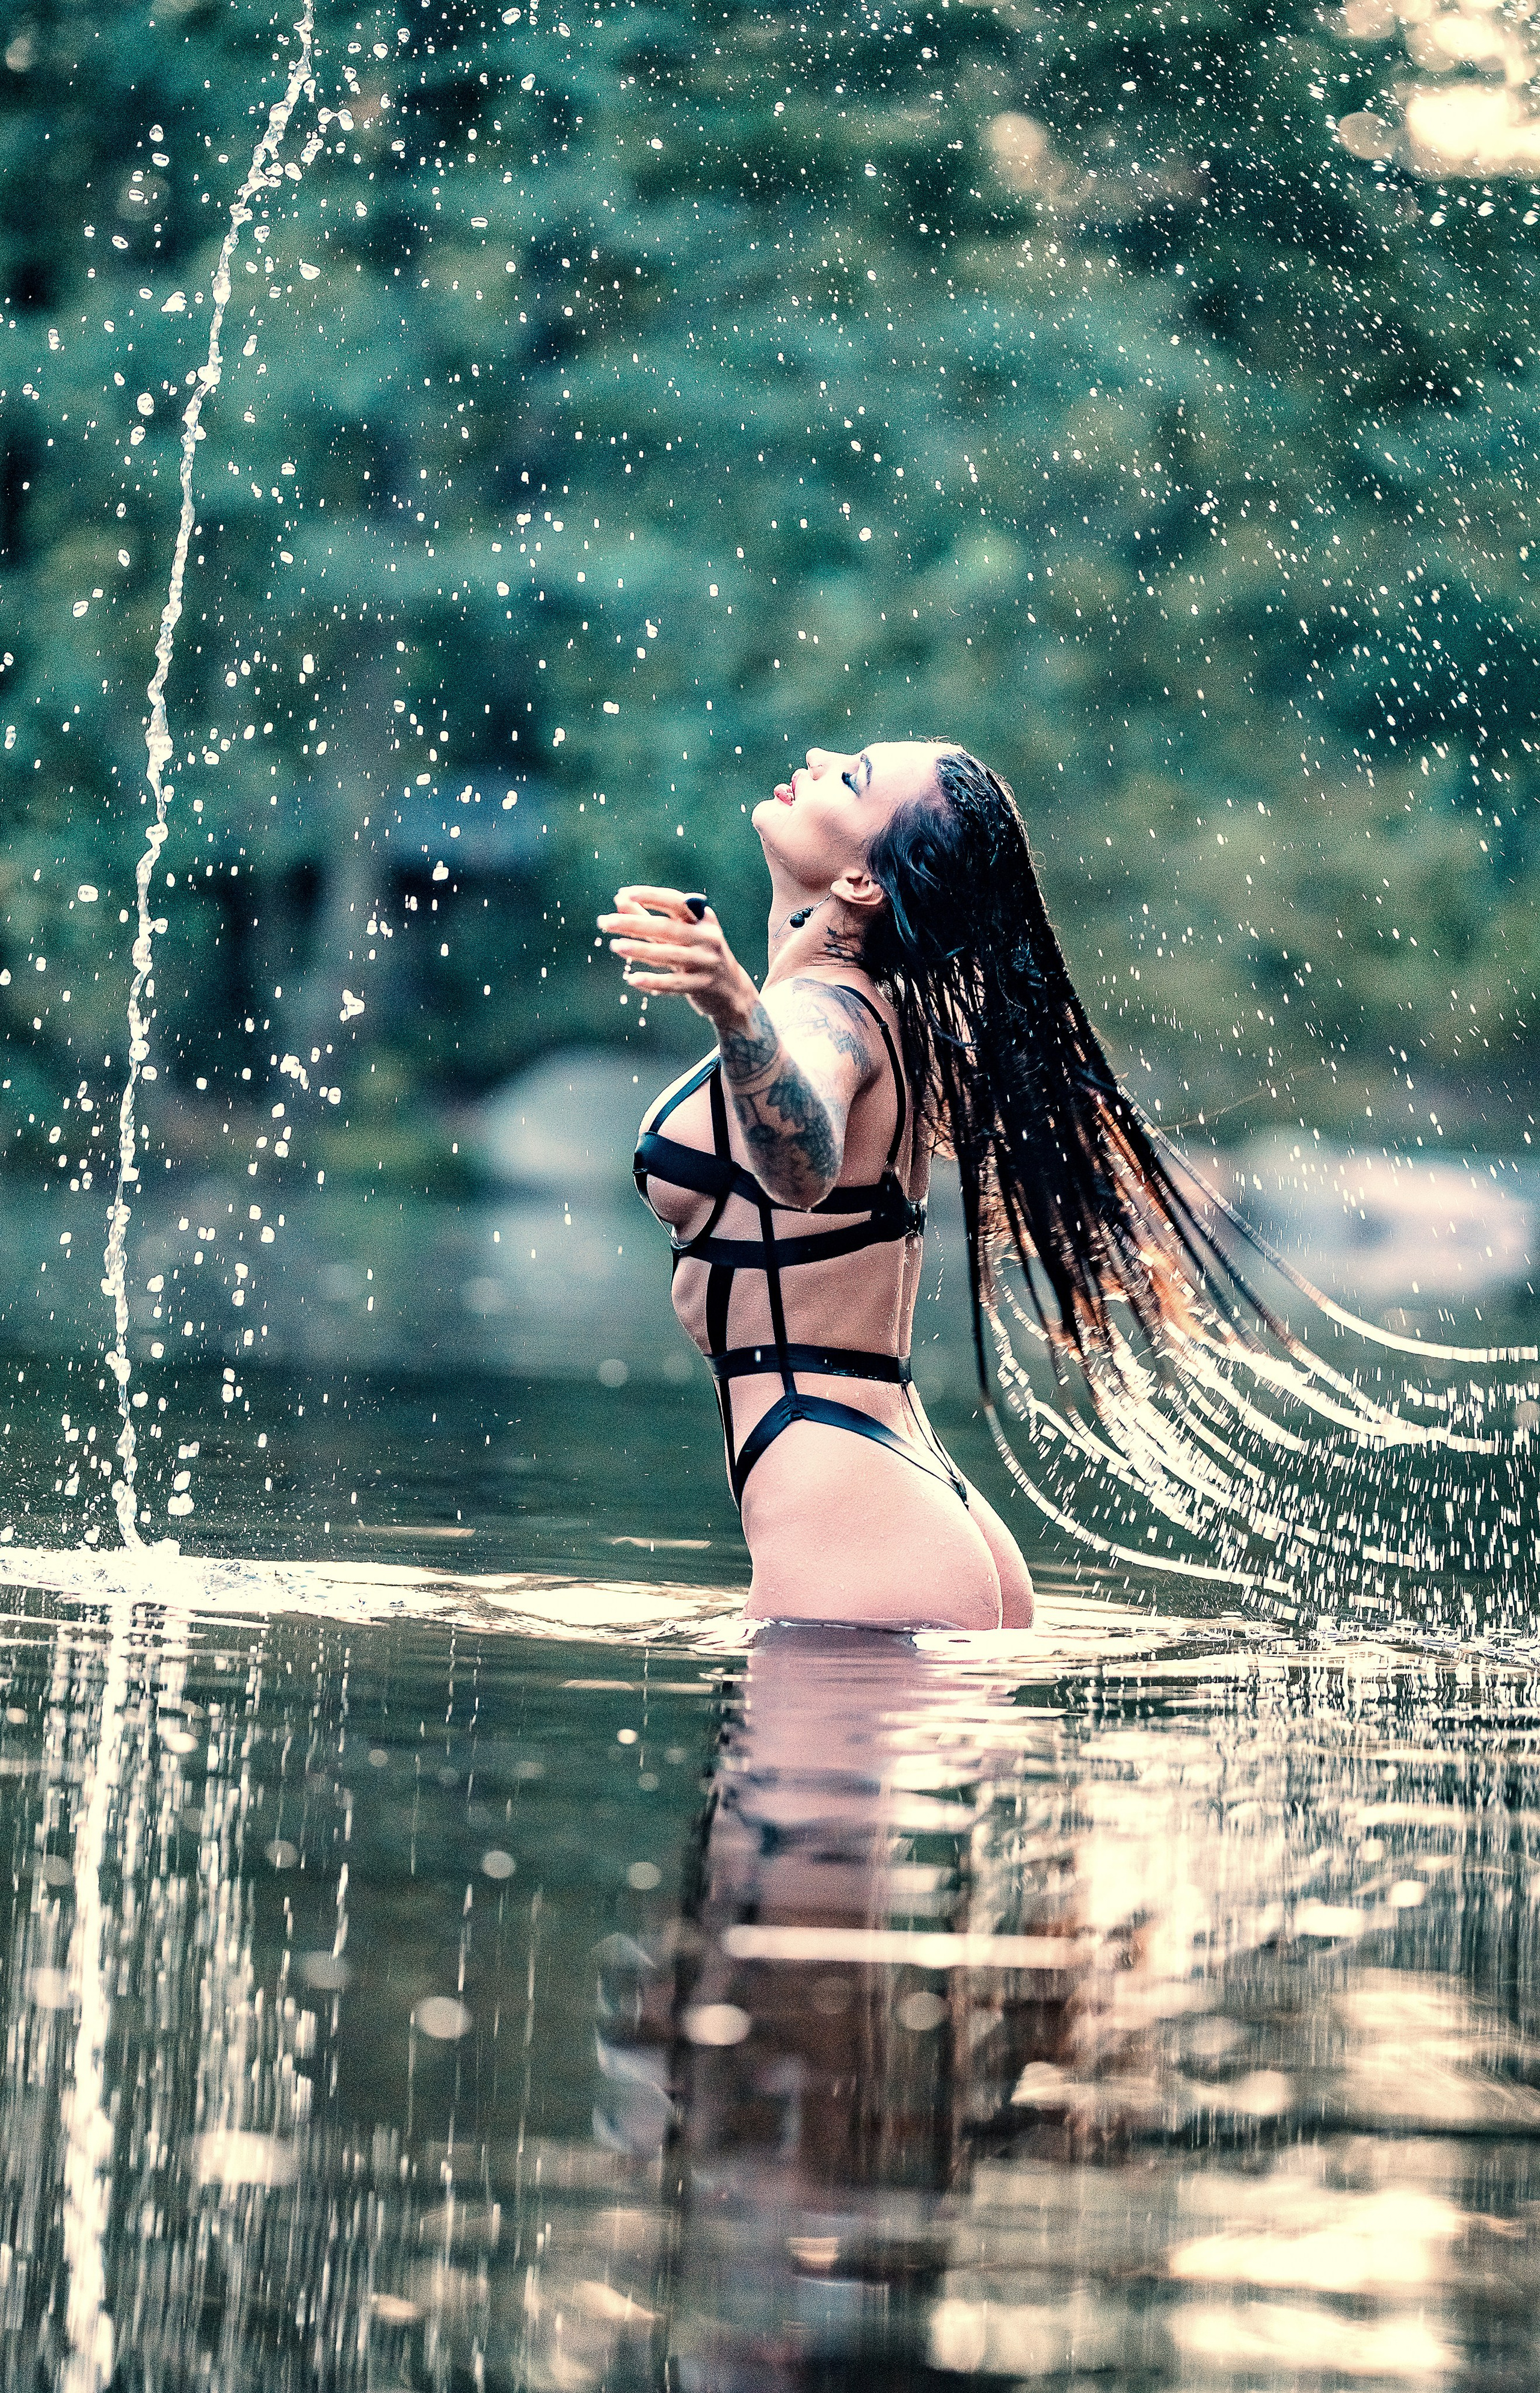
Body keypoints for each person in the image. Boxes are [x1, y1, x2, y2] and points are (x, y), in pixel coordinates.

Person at [600, 742, 1219, 1631]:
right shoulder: (888, 1013)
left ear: (860, 884)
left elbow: (801, 1164)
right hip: (903, 1511)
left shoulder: (820, 1016)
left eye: (851, 776)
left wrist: (737, 1003)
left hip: (857, 1526)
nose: (816, 757)